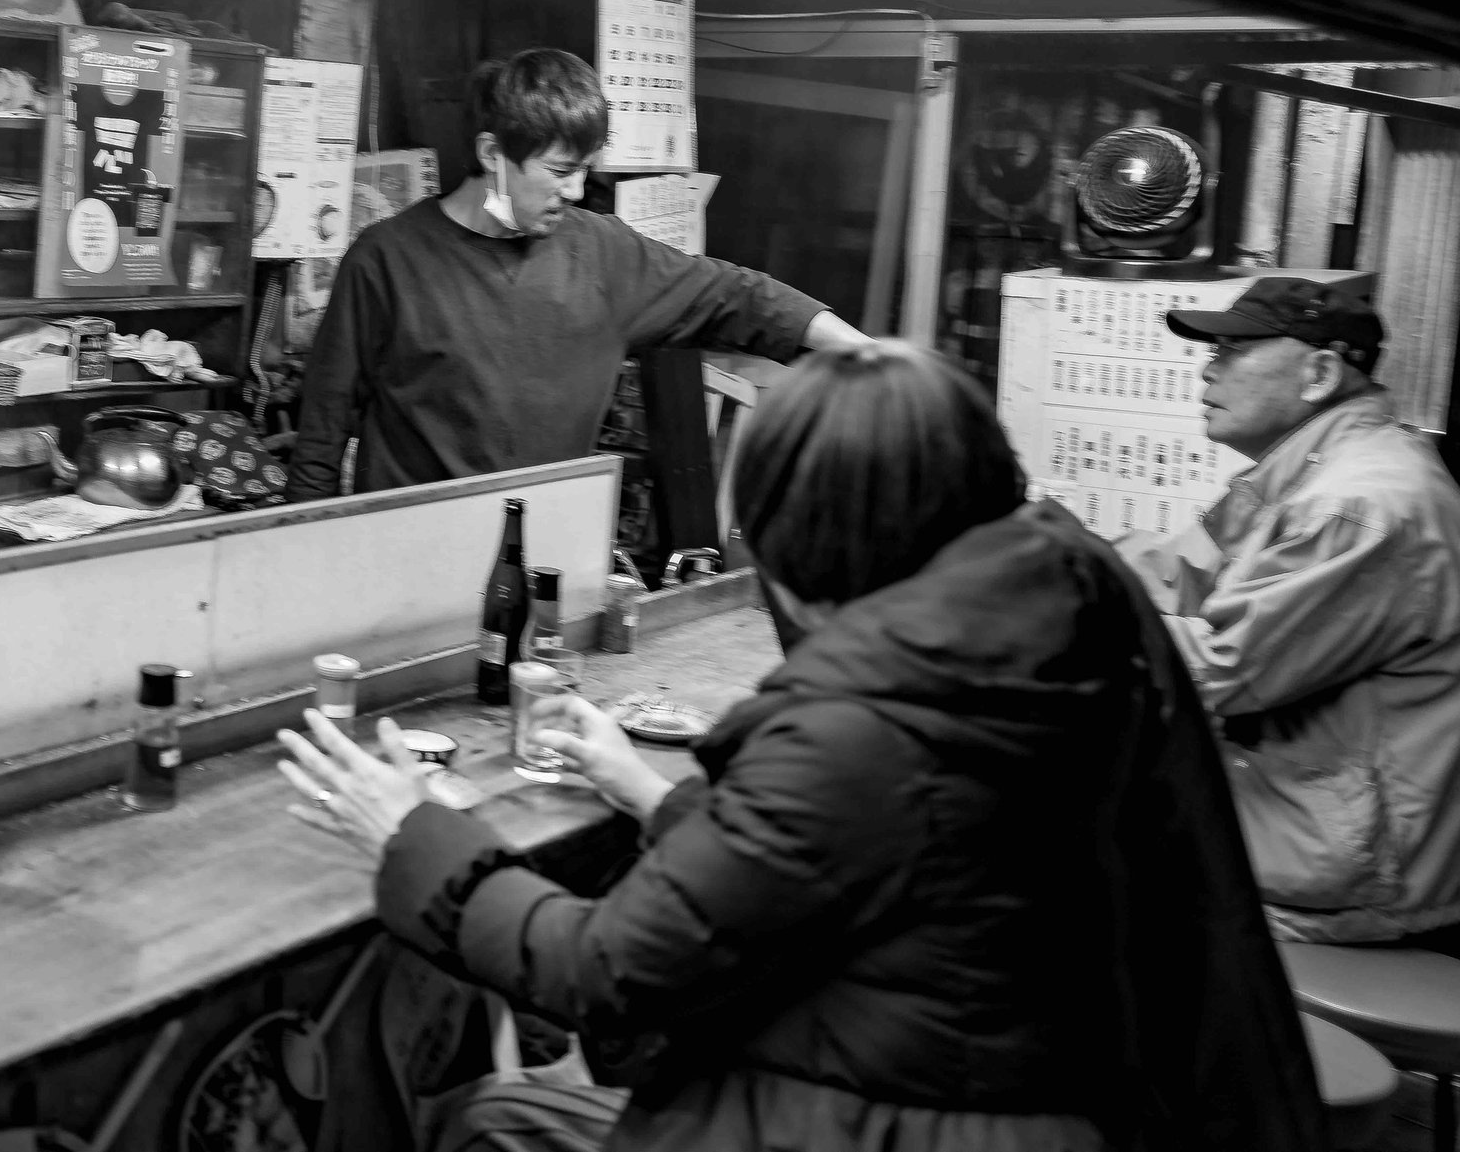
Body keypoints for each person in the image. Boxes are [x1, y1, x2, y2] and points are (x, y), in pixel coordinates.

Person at [277, 342, 1321, 1151]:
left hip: (881, 1120)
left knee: (494, 1118)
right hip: (1040, 1093)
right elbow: (854, 854)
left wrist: (414, 831)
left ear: (807, 536)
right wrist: (650, 791)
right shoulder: (1056, 615)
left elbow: (602, 970)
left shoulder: (871, 714)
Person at [284, 48, 867, 501]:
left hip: (548, 558)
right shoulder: (387, 259)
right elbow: (322, 432)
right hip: (412, 557)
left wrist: (864, 352)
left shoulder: (603, 254)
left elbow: (736, 296)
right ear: (492, 154)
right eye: (560, 170)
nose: (577, 190)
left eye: (585, 169)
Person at [1118, 275, 1460, 949]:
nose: (1207, 370)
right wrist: (1055, 560)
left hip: (1348, 874)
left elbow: (1218, 669)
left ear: (1319, 373)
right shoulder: (1297, 476)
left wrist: (1062, 615)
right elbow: (1177, 575)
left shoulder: (1358, 504)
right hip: (1299, 815)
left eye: (1232, 352)